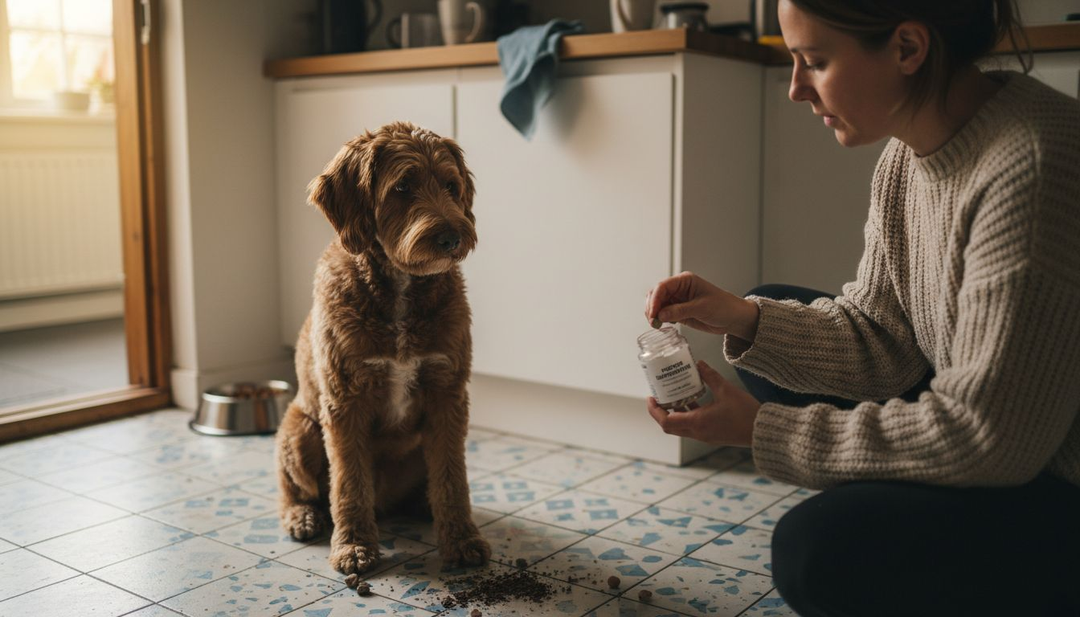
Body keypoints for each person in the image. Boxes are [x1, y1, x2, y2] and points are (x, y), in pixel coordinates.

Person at [643, 0, 1080, 615]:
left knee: (817, 552)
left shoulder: (1032, 164)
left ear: (907, 48)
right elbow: (884, 339)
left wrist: (763, 431)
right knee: (770, 318)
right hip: (1009, 432)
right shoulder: (906, 156)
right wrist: (741, 317)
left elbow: (988, 437)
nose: (796, 88)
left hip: (1054, 473)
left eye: (815, 61)